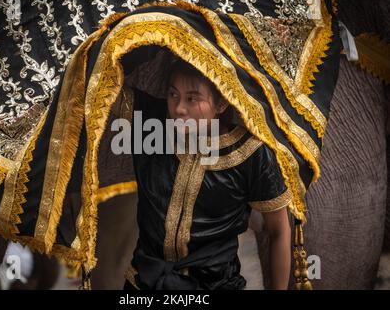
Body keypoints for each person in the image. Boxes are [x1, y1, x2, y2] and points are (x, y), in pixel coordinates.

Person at [121, 58, 291, 290]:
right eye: (173, 95)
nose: (179, 108)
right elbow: (103, 83)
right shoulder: (152, 124)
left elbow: (279, 230)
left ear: (221, 103)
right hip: (144, 285)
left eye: (192, 98)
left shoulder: (251, 154)